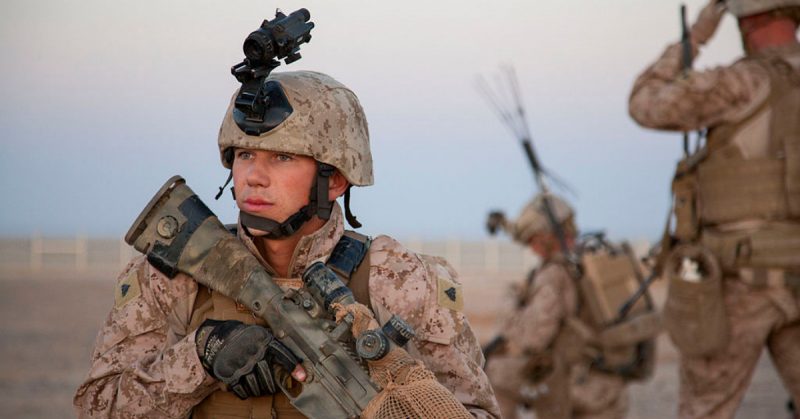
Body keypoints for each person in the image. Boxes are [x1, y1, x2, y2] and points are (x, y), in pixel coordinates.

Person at [73, 70, 500, 418]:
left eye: (281, 157)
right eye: (244, 155)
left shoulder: (399, 278)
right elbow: (98, 407)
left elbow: (475, 411)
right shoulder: (172, 275)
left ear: (333, 179)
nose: (254, 176)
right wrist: (199, 358)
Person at [629, 0, 800, 418]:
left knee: (705, 409)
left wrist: (697, 36)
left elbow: (646, 102)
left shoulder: (742, 82)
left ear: (749, 18)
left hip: (743, 279)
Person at [484, 194, 629, 419]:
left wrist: (510, 301)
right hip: (608, 382)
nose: (532, 248)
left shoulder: (554, 273)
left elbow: (533, 338)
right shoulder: (585, 260)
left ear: (547, 238)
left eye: (534, 240)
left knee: (494, 375)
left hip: (578, 385)